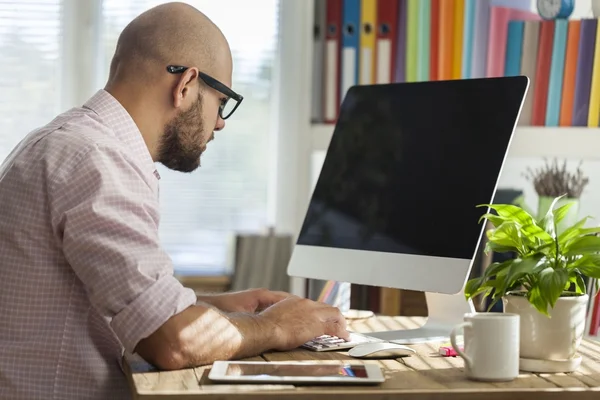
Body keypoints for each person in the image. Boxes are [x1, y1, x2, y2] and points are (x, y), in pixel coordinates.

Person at [0, 2, 349, 399]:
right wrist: (280, 326)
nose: (219, 122)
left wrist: (219, 308)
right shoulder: (97, 161)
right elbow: (174, 341)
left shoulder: (69, 143)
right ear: (185, 85)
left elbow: (115, 303)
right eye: (222, 102)